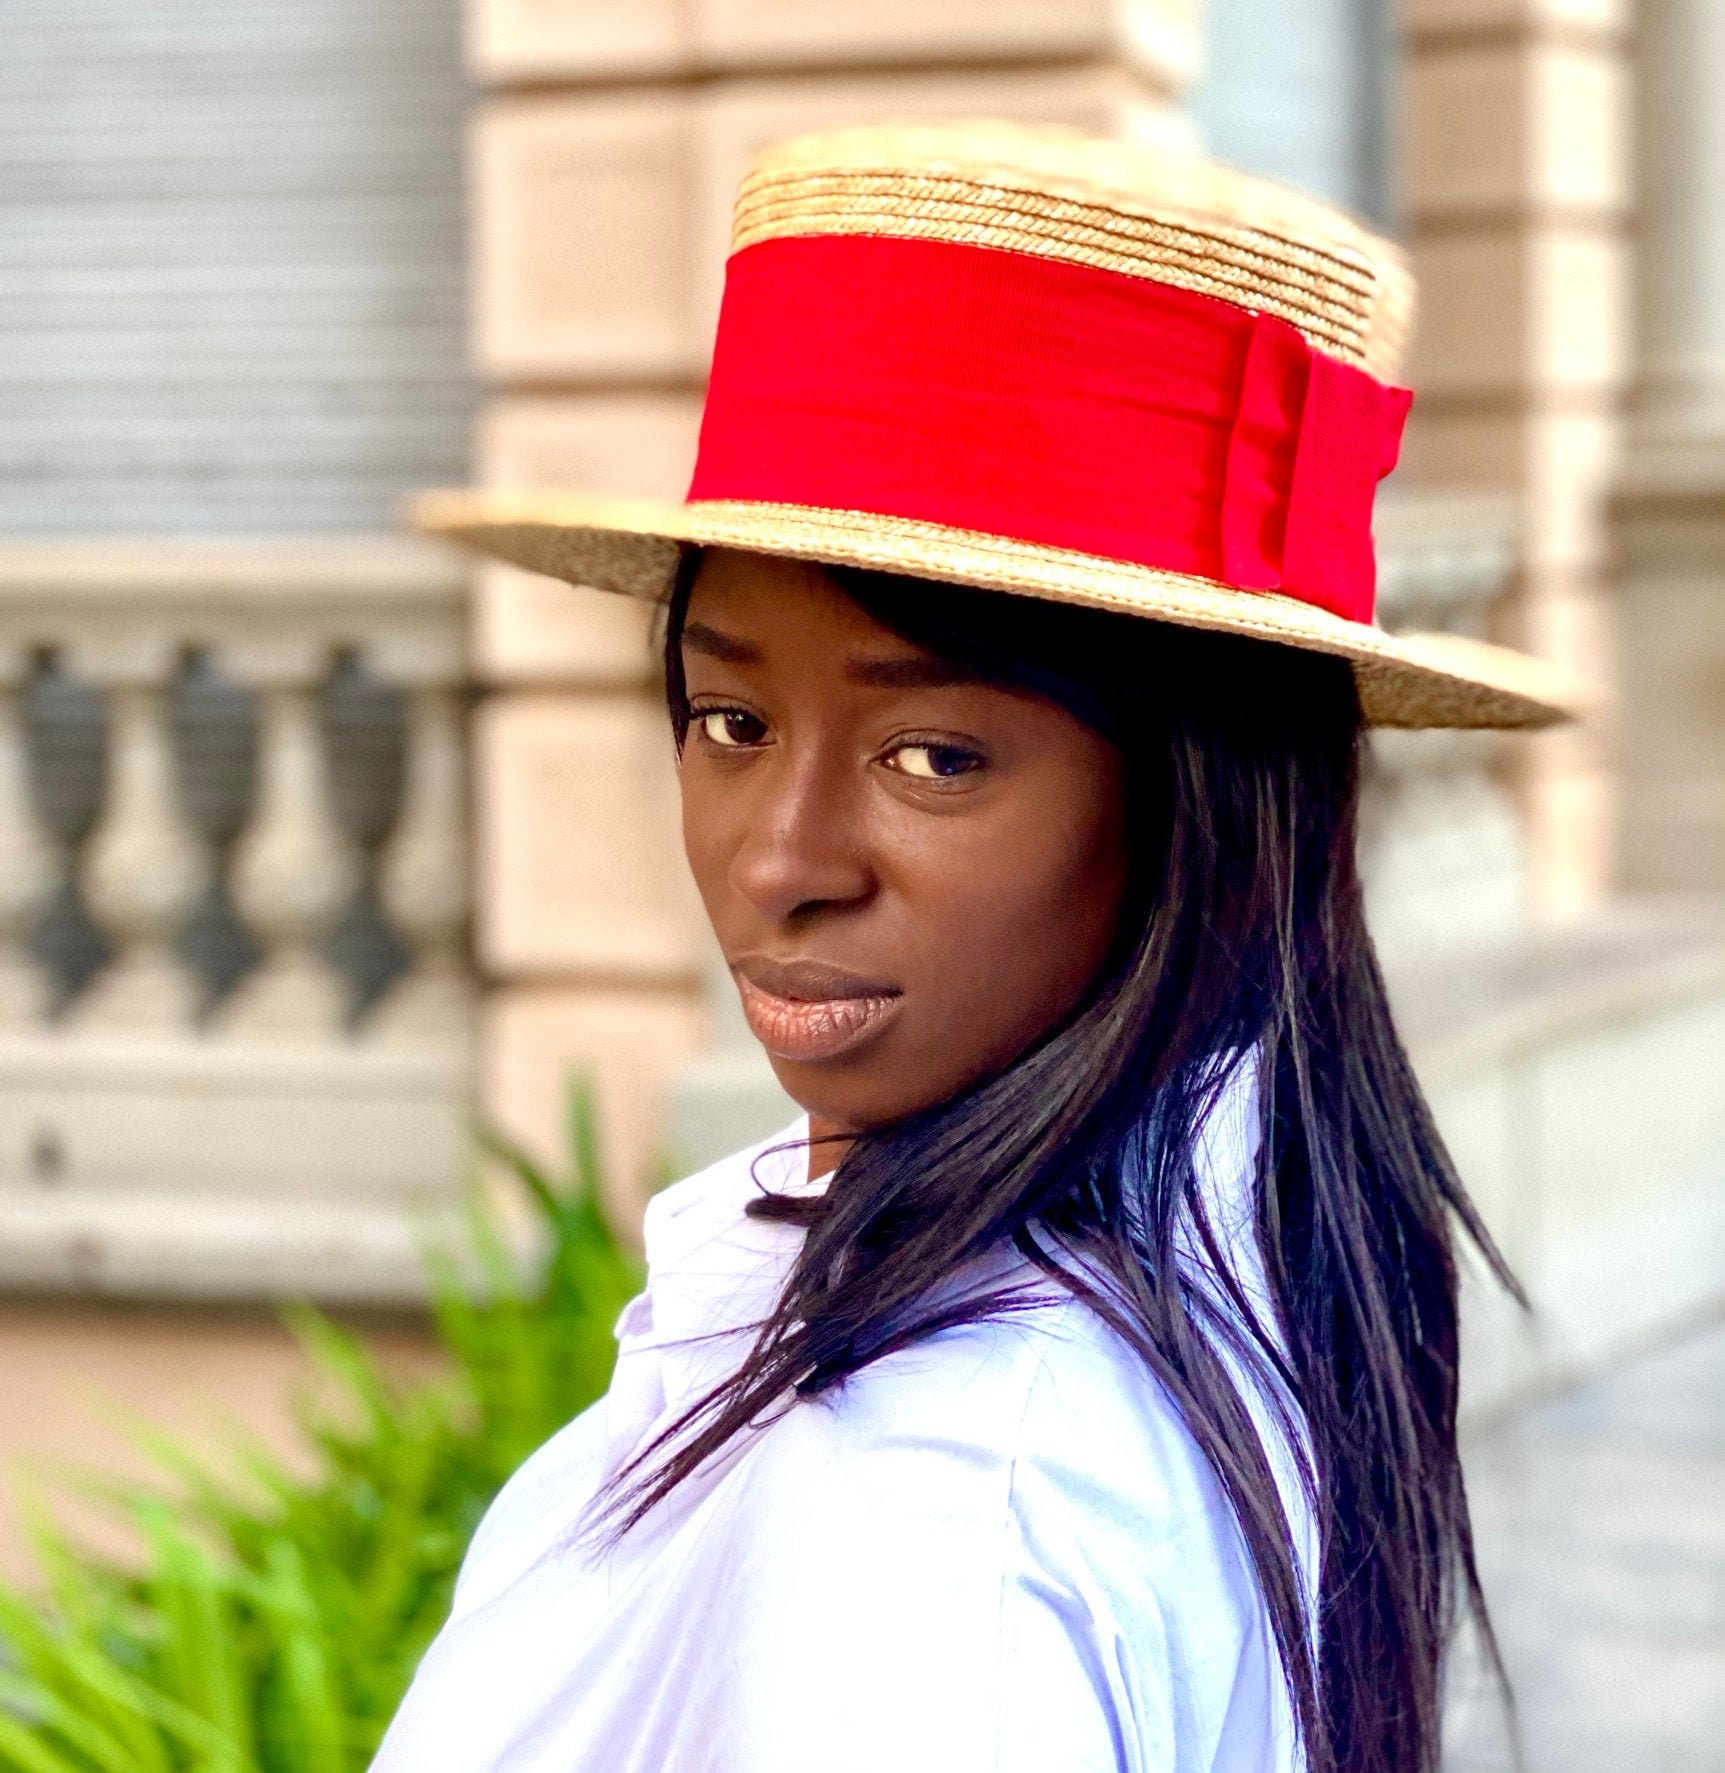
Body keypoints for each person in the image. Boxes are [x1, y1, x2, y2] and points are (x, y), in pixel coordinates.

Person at [375, 122, 1581, 1773]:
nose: (775, 863)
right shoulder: (1234, 1259)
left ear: (1202, 813)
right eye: (727, 718)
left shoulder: (935, 1493)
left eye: (930, 756)